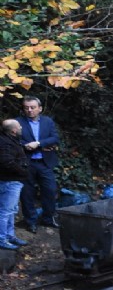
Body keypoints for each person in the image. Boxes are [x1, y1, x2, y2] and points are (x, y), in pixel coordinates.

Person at [17, 96, 60, 233]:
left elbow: (55, 138)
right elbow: (12, 140)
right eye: (26, 108)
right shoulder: (17, 122)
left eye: (33, 107)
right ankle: (31, 222)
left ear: (40, 108)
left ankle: (48, 219)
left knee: (50, 190)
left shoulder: (48, 121)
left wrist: (39, 144)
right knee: (27, 193)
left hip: (44, 162)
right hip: (26, 163)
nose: (29, 110)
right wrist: (25, 145)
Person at [0, 119, 29, 250]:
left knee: (11, 211)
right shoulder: (6, 143)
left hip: (12, 180)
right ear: (14, 130)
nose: (21, 128)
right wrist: (23, 172)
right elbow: (7, 163)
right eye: (19, 127)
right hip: (10, 181)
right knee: (5, 211)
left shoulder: (10, 140)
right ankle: (2, 238)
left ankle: (10, 235)